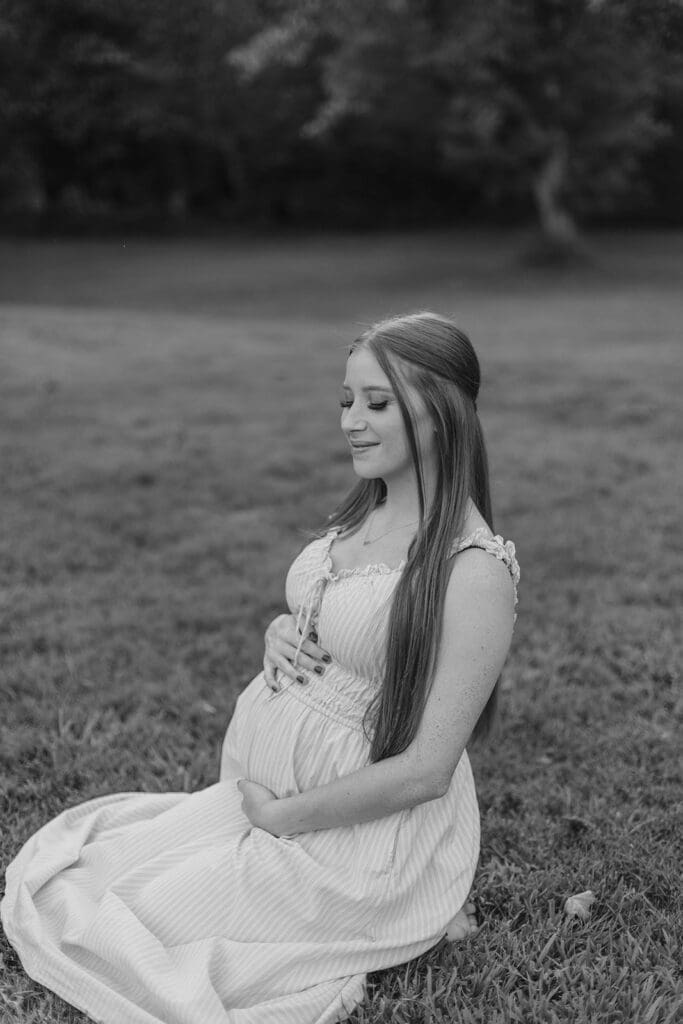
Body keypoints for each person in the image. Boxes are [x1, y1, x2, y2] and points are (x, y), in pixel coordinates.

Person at [1, 311, 520, 1024]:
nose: (351, 423)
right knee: (97, 881)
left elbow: (428, 769)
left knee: (132, 923)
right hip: (259, 796)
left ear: (440, 412)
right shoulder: (370, 511)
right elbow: (338, 618)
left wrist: (283, 818)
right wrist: (282, 631)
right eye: (347, 401)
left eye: (377, 403)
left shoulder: (473, 570)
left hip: (346, 841)